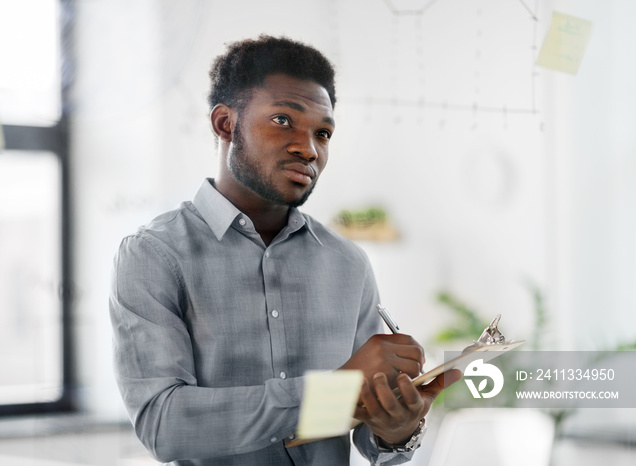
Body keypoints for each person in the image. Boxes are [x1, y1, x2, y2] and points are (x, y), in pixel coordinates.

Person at [109, 35, 460, 466]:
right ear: (225, 124)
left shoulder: (347, 264)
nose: (308, 148)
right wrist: (339, 387)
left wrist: (395, 428)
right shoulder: (154, 255)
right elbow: (164, 426)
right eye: (282, 120)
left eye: (323, 133)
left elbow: (367, 435)